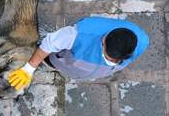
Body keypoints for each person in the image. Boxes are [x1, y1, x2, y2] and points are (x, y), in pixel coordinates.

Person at [8, 16, 149, 89]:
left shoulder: (142, 40)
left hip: (86, 70)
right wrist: (29, 68)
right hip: (64, 61)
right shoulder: (78, 34)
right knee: (52, 61)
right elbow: (49, 44)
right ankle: (52, 65)